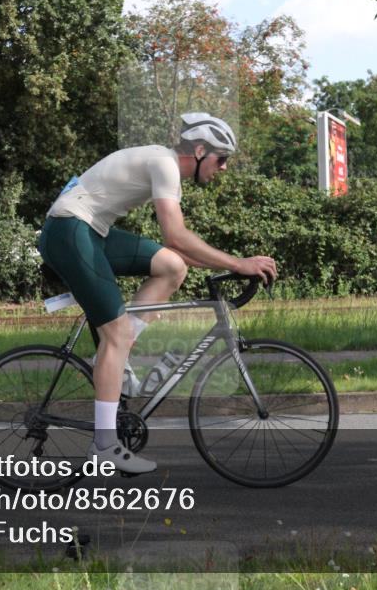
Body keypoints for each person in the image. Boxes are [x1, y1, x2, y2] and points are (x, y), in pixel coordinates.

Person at [37, 112, 278, 474]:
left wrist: (229, 264)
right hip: (69, 231)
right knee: (115, 334)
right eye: (221, 158)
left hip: (89, 232)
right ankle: (104, 444)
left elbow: (179, 253)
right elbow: (176, 237)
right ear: (199, 151)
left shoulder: (164, 165)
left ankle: (118, 358)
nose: (223, 167)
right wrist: (239, 263)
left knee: (172, 266)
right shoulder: (164, 164)